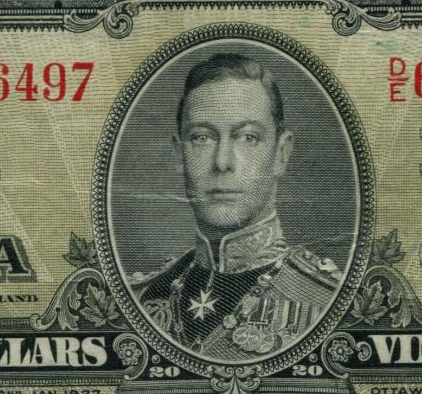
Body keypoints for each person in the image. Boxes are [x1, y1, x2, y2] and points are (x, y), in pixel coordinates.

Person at [127, 52, 342, 359]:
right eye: (202, 138)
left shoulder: (331, 301)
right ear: (178, 154)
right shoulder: (139, 297)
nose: (222, 162)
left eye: (248, 137)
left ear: (281, 153)